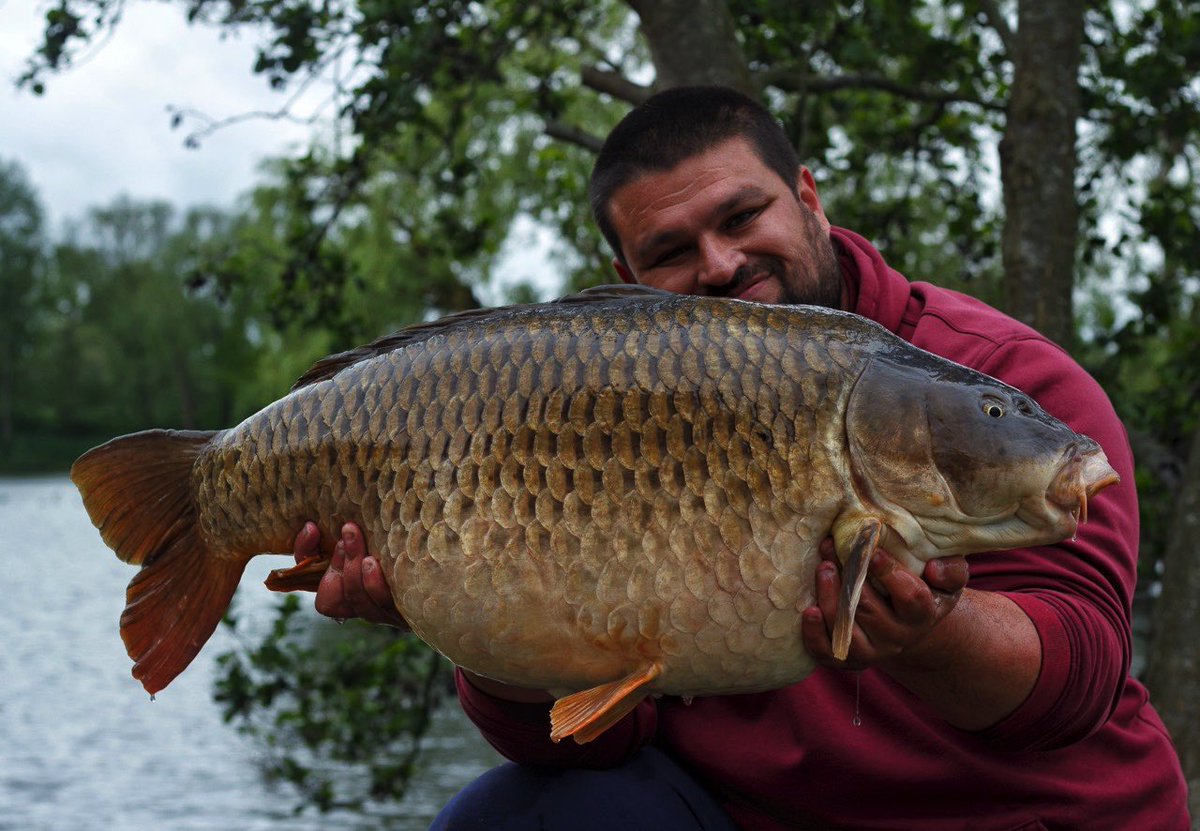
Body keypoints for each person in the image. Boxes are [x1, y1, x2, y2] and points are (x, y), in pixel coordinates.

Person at [293, 86, 1190, 829]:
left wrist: (925, 632)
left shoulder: (1002, 382)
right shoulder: (597, 412)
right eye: (671, 250)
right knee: (507, 819)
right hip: (759, 814)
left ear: (808, 196)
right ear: (627, 274)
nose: (719, 264)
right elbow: (591, 735)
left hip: (1014, 814)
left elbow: (1076, 683)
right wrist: (453, 608)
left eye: (741, 215)